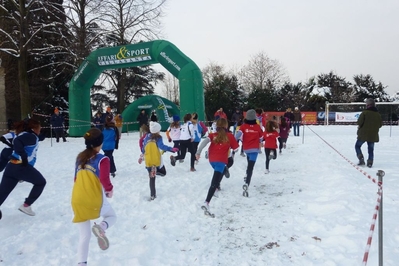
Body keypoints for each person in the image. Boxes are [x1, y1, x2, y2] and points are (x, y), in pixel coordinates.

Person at [71, 128, 116, 265]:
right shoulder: (103, 159)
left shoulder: (80, 157)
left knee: (84, 236)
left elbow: (75, 179)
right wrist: (109, 190)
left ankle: (81, 263)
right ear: (100, 143)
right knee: (112, 216)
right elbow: (104, 179)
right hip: (94, 200)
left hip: (77, 200)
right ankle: (102, 227)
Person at [0, 118, 46, 218]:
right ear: (34, 128)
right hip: (21, 167)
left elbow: (21, 140)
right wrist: (23, 156)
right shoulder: (31, 136)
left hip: (11, 167)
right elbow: (17, 142)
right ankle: (27, 205)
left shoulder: (24, 134)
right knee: (41, 182)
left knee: (2, 193)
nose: (40, 129)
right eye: (39, 127)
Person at [195, 118, 239, 213]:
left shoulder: (212, 135)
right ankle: (206, 202)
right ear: (226, 126)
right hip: (221, 161)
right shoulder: (230, 136)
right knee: (214, 181)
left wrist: (198, 152)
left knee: (220, 172)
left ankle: (221, 177)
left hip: (212, 160)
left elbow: (203, 143)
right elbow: (236, 149)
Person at [142, 121, 178, 200]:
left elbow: (143, 148)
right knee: (163, 172)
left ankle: (152, 195)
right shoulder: (158, 137)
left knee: (152, 178)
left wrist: (141, 156)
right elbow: (162, 146)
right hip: (155, 159)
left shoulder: (146, 137)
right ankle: (156, 171)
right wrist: (171, 149)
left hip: (148, 160)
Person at [235, 109, 263, 196]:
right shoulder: (258, 127)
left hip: (246, 149)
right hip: (255, 149)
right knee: (251, 166)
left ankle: (247, 175)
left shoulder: (243, 126)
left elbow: (237, 136)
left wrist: (233, 141)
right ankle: (247, 183)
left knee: (249, 162)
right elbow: (261, 138)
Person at [355, 98, 382, 168]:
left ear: (368, 105)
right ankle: (370, 162)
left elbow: (359, 122)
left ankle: (361, 158)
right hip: (373, 135)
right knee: (371, 149)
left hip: (363, 134)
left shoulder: (365, 113)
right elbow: (380, 125)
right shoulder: (378, 114)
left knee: (357, 146)